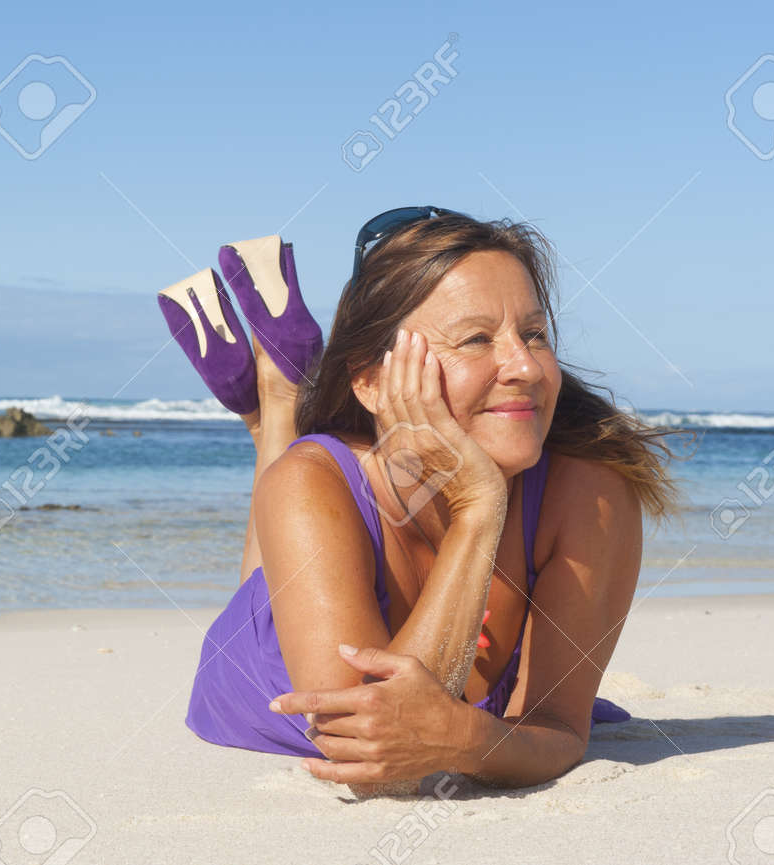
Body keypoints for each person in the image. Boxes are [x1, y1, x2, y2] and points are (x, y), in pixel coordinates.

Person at [156, 207, 681, 792]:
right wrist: (479, 511)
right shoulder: (312, 482)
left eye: (534, 334)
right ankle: (278, 403)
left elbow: (558, 729)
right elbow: (369, 748)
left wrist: (464, 739)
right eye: (477, 339)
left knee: (294, 490)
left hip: (342, 506)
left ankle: (276, 401)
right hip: (259, 659)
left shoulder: (592, 493)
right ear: (374, 382)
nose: (527, 366)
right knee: (291, 495)